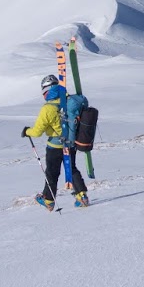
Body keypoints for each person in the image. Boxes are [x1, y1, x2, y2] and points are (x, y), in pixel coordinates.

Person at [23, 74, 89, 209]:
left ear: (47, 90)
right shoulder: (69, 101)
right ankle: (82, 196)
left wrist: (26, 131)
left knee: (52, 173)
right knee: (71, 168)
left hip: (54, 146)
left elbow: (37, 132)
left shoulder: (47, 109)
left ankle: (48, 200)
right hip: (70, 143)